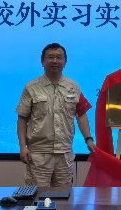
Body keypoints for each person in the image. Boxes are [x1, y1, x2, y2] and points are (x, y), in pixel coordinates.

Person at [16, 43, 95, 186]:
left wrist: (88, 140)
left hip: (64, 153)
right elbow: (22, 118)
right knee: (37, 195)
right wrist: (22, 146)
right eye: (50, 57)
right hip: (39, 153)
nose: (55, 61)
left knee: (63, 196)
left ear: (65, 62)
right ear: (42, 61)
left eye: (59, 57)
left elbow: (81, 114)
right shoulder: (31, 87)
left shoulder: (73, 87)